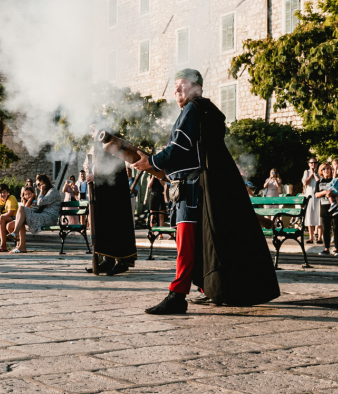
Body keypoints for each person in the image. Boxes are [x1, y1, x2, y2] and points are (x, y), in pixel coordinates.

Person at [106, 69, 279, 314]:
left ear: (196, 87)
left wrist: (152, 162)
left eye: (182, 84)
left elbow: (178, 147)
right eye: (175, 85)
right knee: (204, 243)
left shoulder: (192, 109)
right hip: (200, 187)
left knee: (186, 245)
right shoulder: (206, 111)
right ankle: (209, 287)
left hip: (191, 189)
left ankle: (177, 295)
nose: (176, 90)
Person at [84, 129, 138, 276]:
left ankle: (121, 262)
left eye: (93, 129)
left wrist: (95, 176)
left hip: (115, 198)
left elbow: (113, 172)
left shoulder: (111, 143)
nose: (92, 132)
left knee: (116, 227)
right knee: (105, 227)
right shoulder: (98, 146)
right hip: (104, 196)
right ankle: (107, 260)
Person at [6, 174, 60, 254]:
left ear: (44, 183)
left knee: (21, 209)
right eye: (37, 184)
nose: (38, 186)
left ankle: (17, 234)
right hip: (41, 216)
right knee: (10, 225)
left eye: (39, 184)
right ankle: (20, 246)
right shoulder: (45, 193)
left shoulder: (53, 191)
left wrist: (41, 192)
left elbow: (40, 202)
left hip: (49, 218)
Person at [302, 159, 321, 244]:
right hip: (309, 195)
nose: (313, 164)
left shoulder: (321, 171)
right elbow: (305, 183)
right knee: (310, 216)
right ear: (309, 164)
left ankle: (320, 237)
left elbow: (321, 182)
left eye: (315, 162)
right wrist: (311, 174)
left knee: (319, 216)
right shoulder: (306, 172)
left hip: (318, 195)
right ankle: (311, 237)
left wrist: (316, 173)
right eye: (311, 163)